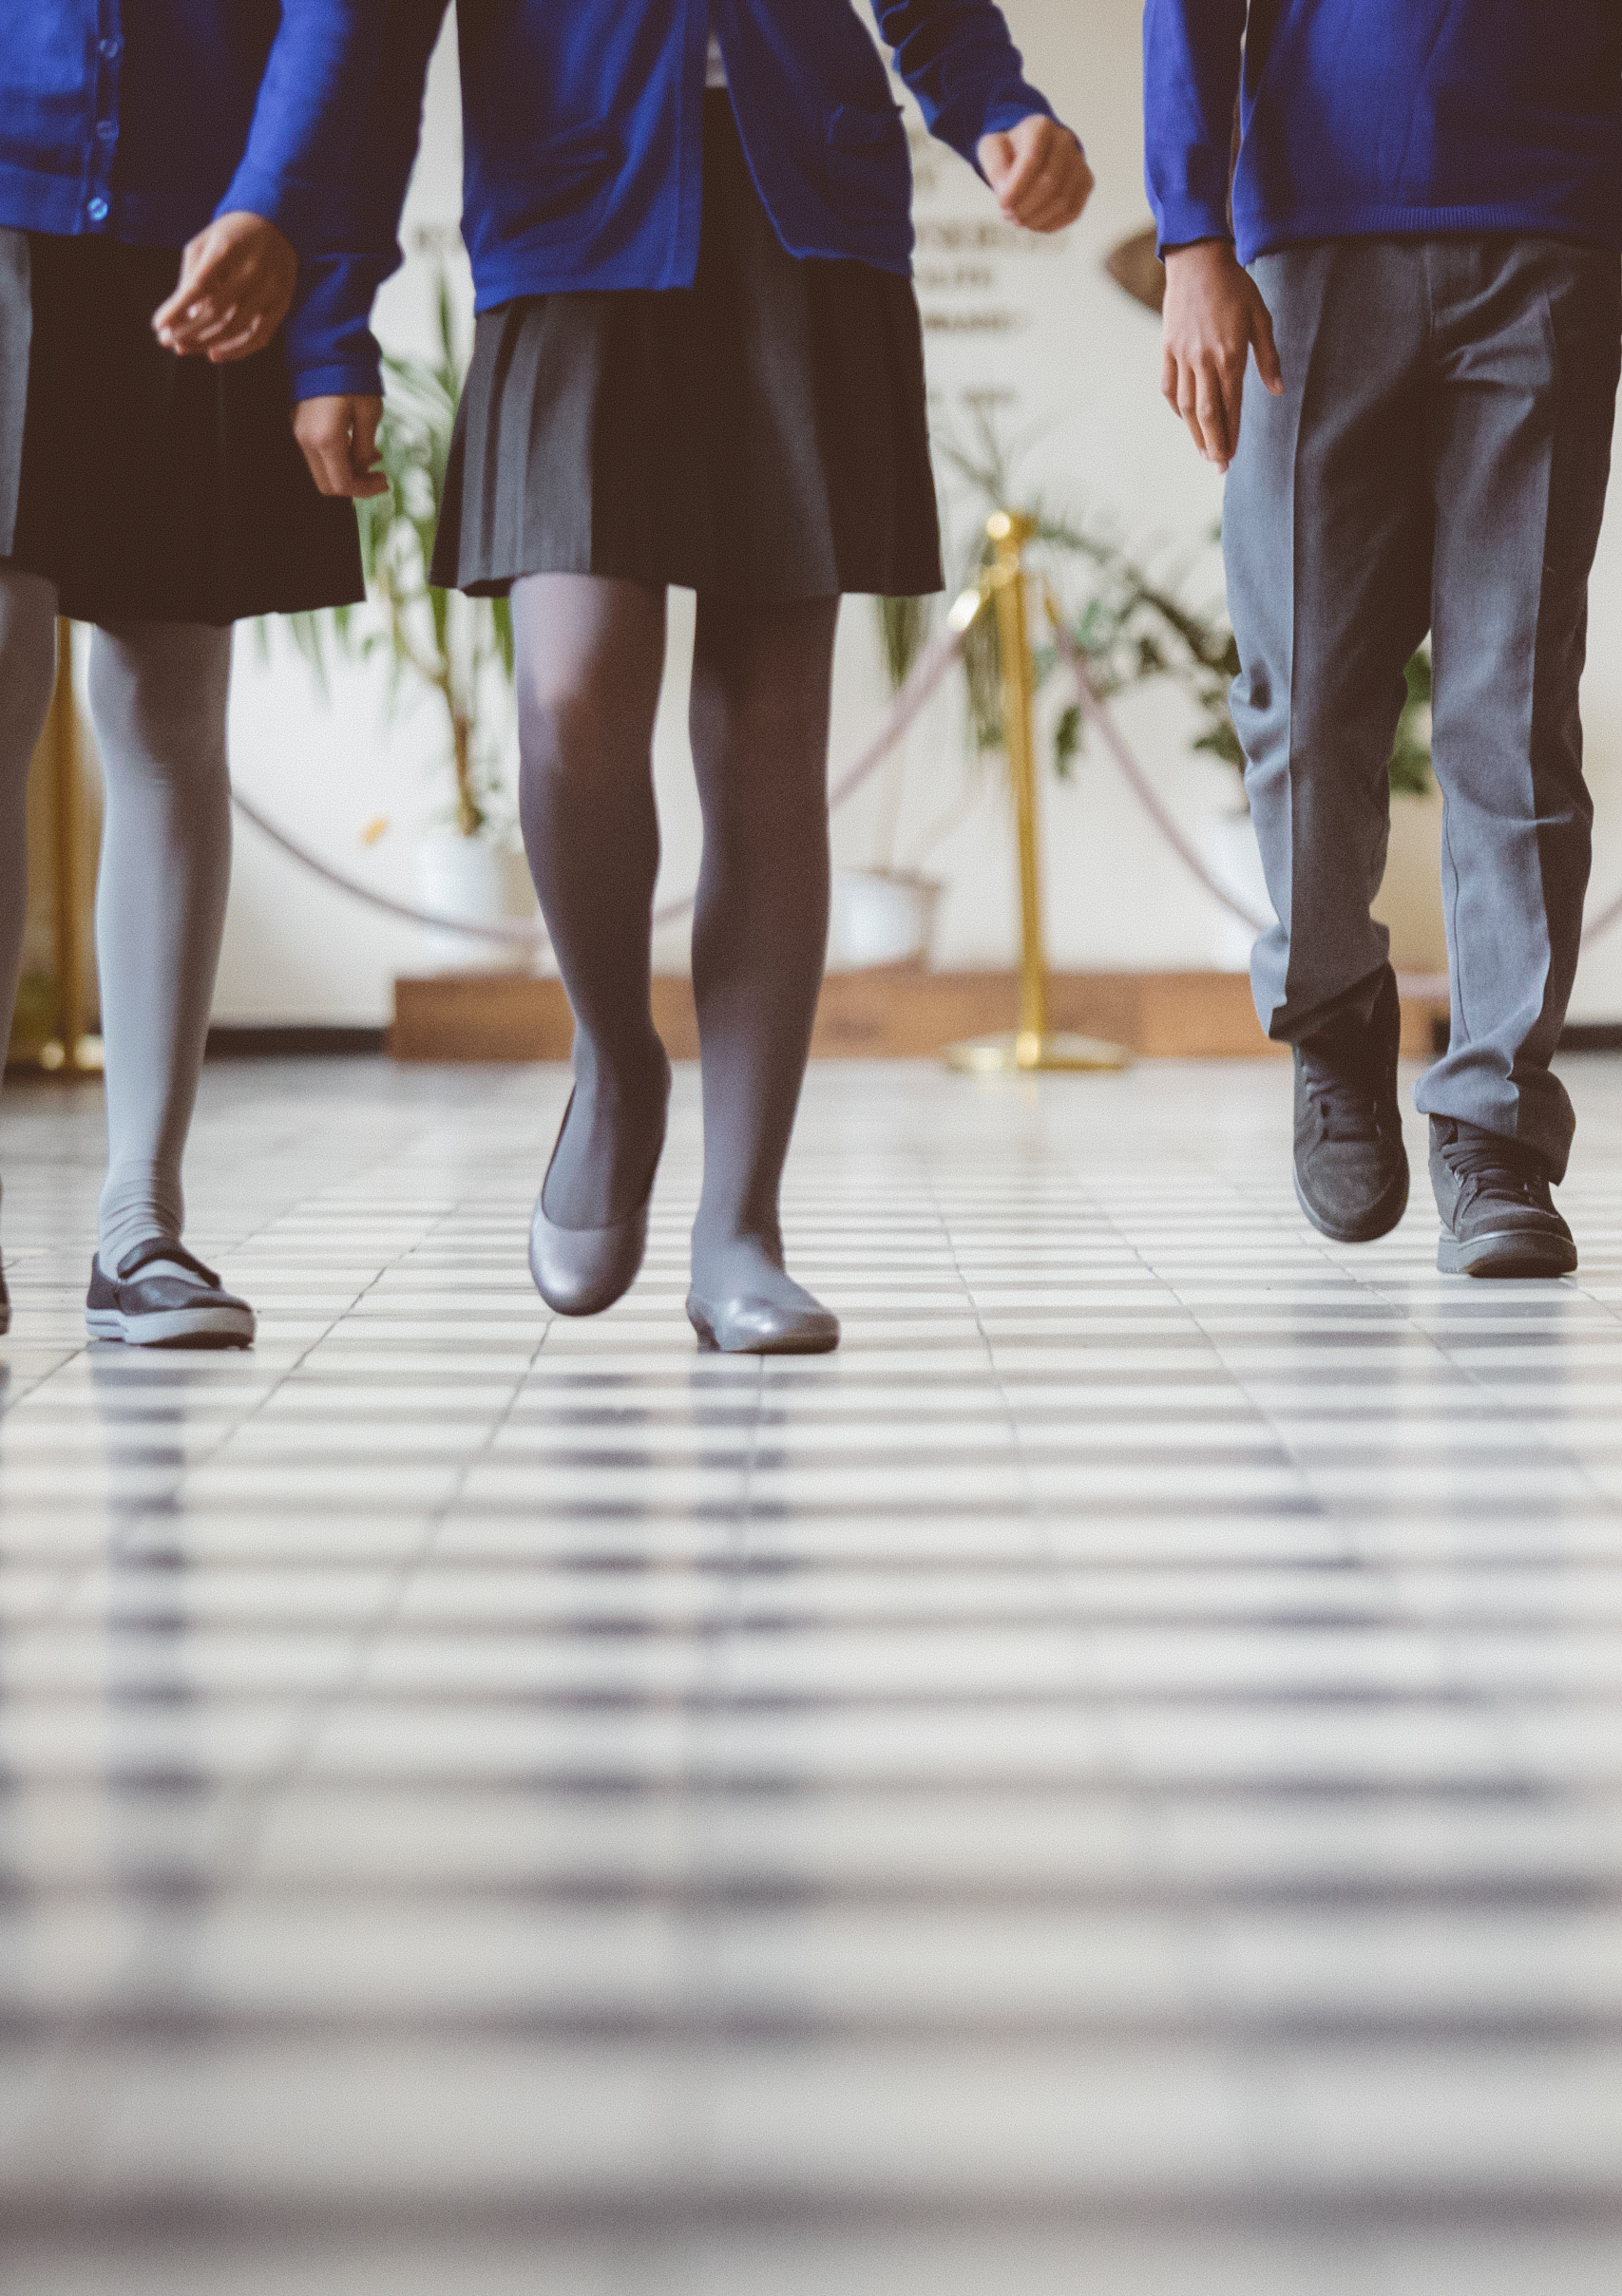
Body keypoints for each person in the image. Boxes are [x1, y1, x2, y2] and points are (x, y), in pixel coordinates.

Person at [345, 1, 1089, 1354]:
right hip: (576, 211)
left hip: (805, 211)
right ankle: (618, 1059)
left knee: (765, 736)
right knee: (569, 699)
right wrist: (328, 312)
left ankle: (741, 1224)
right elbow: (368, 46)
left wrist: (999, 112)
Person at [0, 0, 396, 1348]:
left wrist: (328, 322)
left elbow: (344, 33)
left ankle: (144, 1222)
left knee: (165, 703)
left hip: (215, 228)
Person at [1146, 1, 1622, 1279]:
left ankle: (1497, 1129)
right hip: (1306, 260)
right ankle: (1334, 1011)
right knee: (1301, 698)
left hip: (1545, 255)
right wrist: (1192, 234)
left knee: (1513, 707)